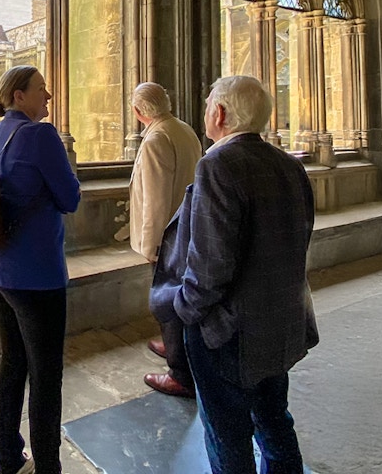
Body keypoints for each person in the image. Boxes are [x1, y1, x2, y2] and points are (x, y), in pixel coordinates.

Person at [150, 75, 318, 474]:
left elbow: (210, 264)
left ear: (220, 114)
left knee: (228, 435)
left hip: (228, 333)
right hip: (280, 322)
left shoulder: (219, 165)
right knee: (275, 422)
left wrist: (185, 311)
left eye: (209, 105)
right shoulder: (288, 165)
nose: (207, 111)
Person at [0, 65, 81, 474]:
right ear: (19, 96)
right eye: (41, 90)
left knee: (13, 361)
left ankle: (8, 456)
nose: (49, 96)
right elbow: (70, 197)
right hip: (34, 273)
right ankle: (48, 465)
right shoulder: (41, 135)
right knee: (45, 373)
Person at [127, 82, 203, 399]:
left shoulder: (157, 138)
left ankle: (179, 372)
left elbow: (156, 198)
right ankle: (176, 346)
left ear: (138, 111)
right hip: (187, 226)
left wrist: (152, 245)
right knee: (178, 297)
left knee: (167, 299)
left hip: (168, 234)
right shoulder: (182, 128)